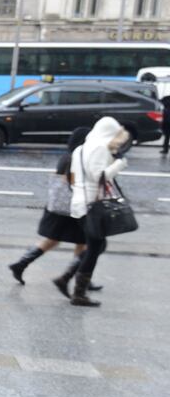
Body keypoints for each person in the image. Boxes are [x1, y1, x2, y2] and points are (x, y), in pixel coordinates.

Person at [8, 127, 104, 298]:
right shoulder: (77, 158)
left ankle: (21, 264)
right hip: (73, 208)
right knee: (83, 243)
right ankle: (81, 277)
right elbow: (73, 182)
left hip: (60, 208)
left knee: (57, 241)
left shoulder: (68, 156)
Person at [66, 117, 130, 307]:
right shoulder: (100, 148)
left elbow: (74, 177)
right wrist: (119, 164)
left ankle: (68, 279)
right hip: (93, 206)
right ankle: (77, 292)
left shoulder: (80, 149)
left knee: (96, 246)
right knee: (95, 248)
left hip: (79, 204)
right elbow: (99, 177)